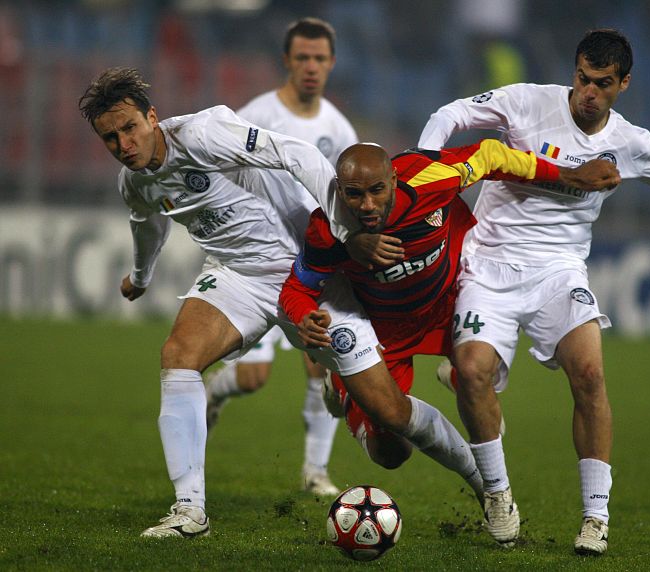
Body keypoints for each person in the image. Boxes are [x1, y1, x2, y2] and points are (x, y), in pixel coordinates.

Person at [417, 28, 650, 555]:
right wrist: (424, 167)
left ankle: (595, 517)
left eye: (602, 83)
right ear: (575, 71)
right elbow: (450, 114)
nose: (588, 92)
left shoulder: (631, 143)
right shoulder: (526, 102)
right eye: (583, 79)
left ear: (623, 84)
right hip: (489, 264)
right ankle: (498, 495)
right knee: (473, 374)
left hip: (560, 272)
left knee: (589, 374)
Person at [78, 67, 387, 538]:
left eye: (130, 128)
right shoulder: (134, 182)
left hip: (303, 268)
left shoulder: (202, 134)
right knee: (178, 356)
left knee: (389, 421)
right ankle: (190, 512)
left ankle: (488, 483)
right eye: (110, 138)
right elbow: (148, 225)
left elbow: (297, 153)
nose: (124, 144)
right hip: (237, 277)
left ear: (152, 117)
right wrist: (140, 277)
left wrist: (344, 231)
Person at [278, 142, 619, 542]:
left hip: (451, 302)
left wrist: (567, 175)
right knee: (390, 453)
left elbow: (492, 155)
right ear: (338, 190)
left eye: (377, 191)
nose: (367, 205)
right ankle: (346, 386)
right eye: (354, 194)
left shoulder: (430, 177)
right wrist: (304, 315)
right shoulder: (327, 229)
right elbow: (297, 287)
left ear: (394, 180)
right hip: (385, 331)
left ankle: (489, 479)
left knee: (479, 374)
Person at [204, 17, 358, 497]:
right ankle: (214, 392)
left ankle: (316, 471)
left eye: (320, 58)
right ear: (287, 61)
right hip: (260, 260)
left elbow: (347, 194)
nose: (311, 66)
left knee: (323, 359)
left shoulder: (338, 127)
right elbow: (218, 171)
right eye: (303, 57)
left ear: (332, 63)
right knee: (253, 377)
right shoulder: (256, 115)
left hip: (312, 262)